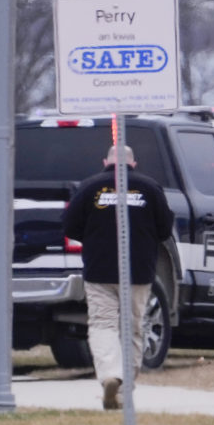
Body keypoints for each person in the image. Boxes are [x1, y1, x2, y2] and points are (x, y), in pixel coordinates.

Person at [61, 144, 167, 410]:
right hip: (138, 270)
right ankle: (126, 387)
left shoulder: (89, 187)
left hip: (99, 269)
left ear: (105, 161)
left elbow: (70, 226)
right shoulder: (150, 188)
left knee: (103, 325)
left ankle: (111, 375)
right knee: (132, 327)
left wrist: (95, 234)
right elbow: (165, 228)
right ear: (134, 163)